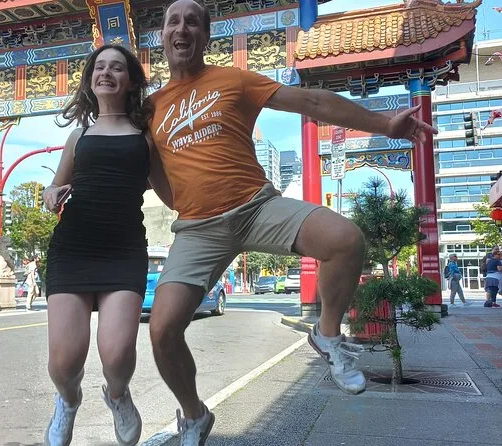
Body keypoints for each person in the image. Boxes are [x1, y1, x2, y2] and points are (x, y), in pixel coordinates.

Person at [144, 0, 439, 443]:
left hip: (257, 208)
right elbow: (152, 174)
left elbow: (312, 100)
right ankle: (194, 414)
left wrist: (383, 124)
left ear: (205, 36)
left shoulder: (235, 79)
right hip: (198, 228)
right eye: (173, 22)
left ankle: (327, 335)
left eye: (192, 22)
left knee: (345, 240)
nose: (181, 29)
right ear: (162, 37)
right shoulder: (149, 109)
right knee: (163, 331)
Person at [41, 44, 172, 446]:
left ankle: (118, 396)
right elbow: (55, 188)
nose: (106, 73)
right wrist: (50, 195)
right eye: (99, 67)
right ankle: (68, 400)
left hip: (123, 250)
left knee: (116, 356)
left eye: (116, 68)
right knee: (63, 364)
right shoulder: (77, 137)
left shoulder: (146, 139)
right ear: (90, 79)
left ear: (130, 81)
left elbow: (171, 195)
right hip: (73, 249)